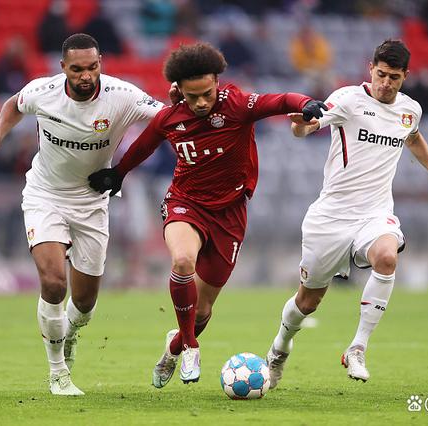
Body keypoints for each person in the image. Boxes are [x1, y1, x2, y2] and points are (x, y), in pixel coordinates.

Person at [88, 42, 325, 387]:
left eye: (207, 94)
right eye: (192, 96)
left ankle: (174, 347)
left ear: (217, 81)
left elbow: (280, 100)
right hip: (186, 202)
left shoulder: (238, 105)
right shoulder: (170, 118)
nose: (200, 103)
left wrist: (305, 104)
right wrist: (119, 173)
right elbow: (144, 145)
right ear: (179, 90)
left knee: (201, 311)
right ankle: (191, 347)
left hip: (230, 213)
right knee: (183, 261)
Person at [0, 33, 164, 395]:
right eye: (77, 69)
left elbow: (167, 117)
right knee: (55, 283)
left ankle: (70, 333)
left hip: (92, 203)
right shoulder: (44, 91)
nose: (86, 75)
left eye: (92, 67)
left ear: (100, 62)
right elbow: (13, 104)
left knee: (84, 304)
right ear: (63, 68)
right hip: (45, 196)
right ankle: (58, 373)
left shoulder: (123, 96)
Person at [265, 39, 428, 388]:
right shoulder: (347, 99)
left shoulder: (410, 110)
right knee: (308, 301)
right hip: (330, 217)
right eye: (381, 74)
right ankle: (280, 348)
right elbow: (307, 127)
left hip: (375, 213)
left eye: (394, 78)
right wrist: (299, 125)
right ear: (370, 68)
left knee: (387, 257)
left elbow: (413, 137)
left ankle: (357, 347)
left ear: (405, 76)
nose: (385, 83)